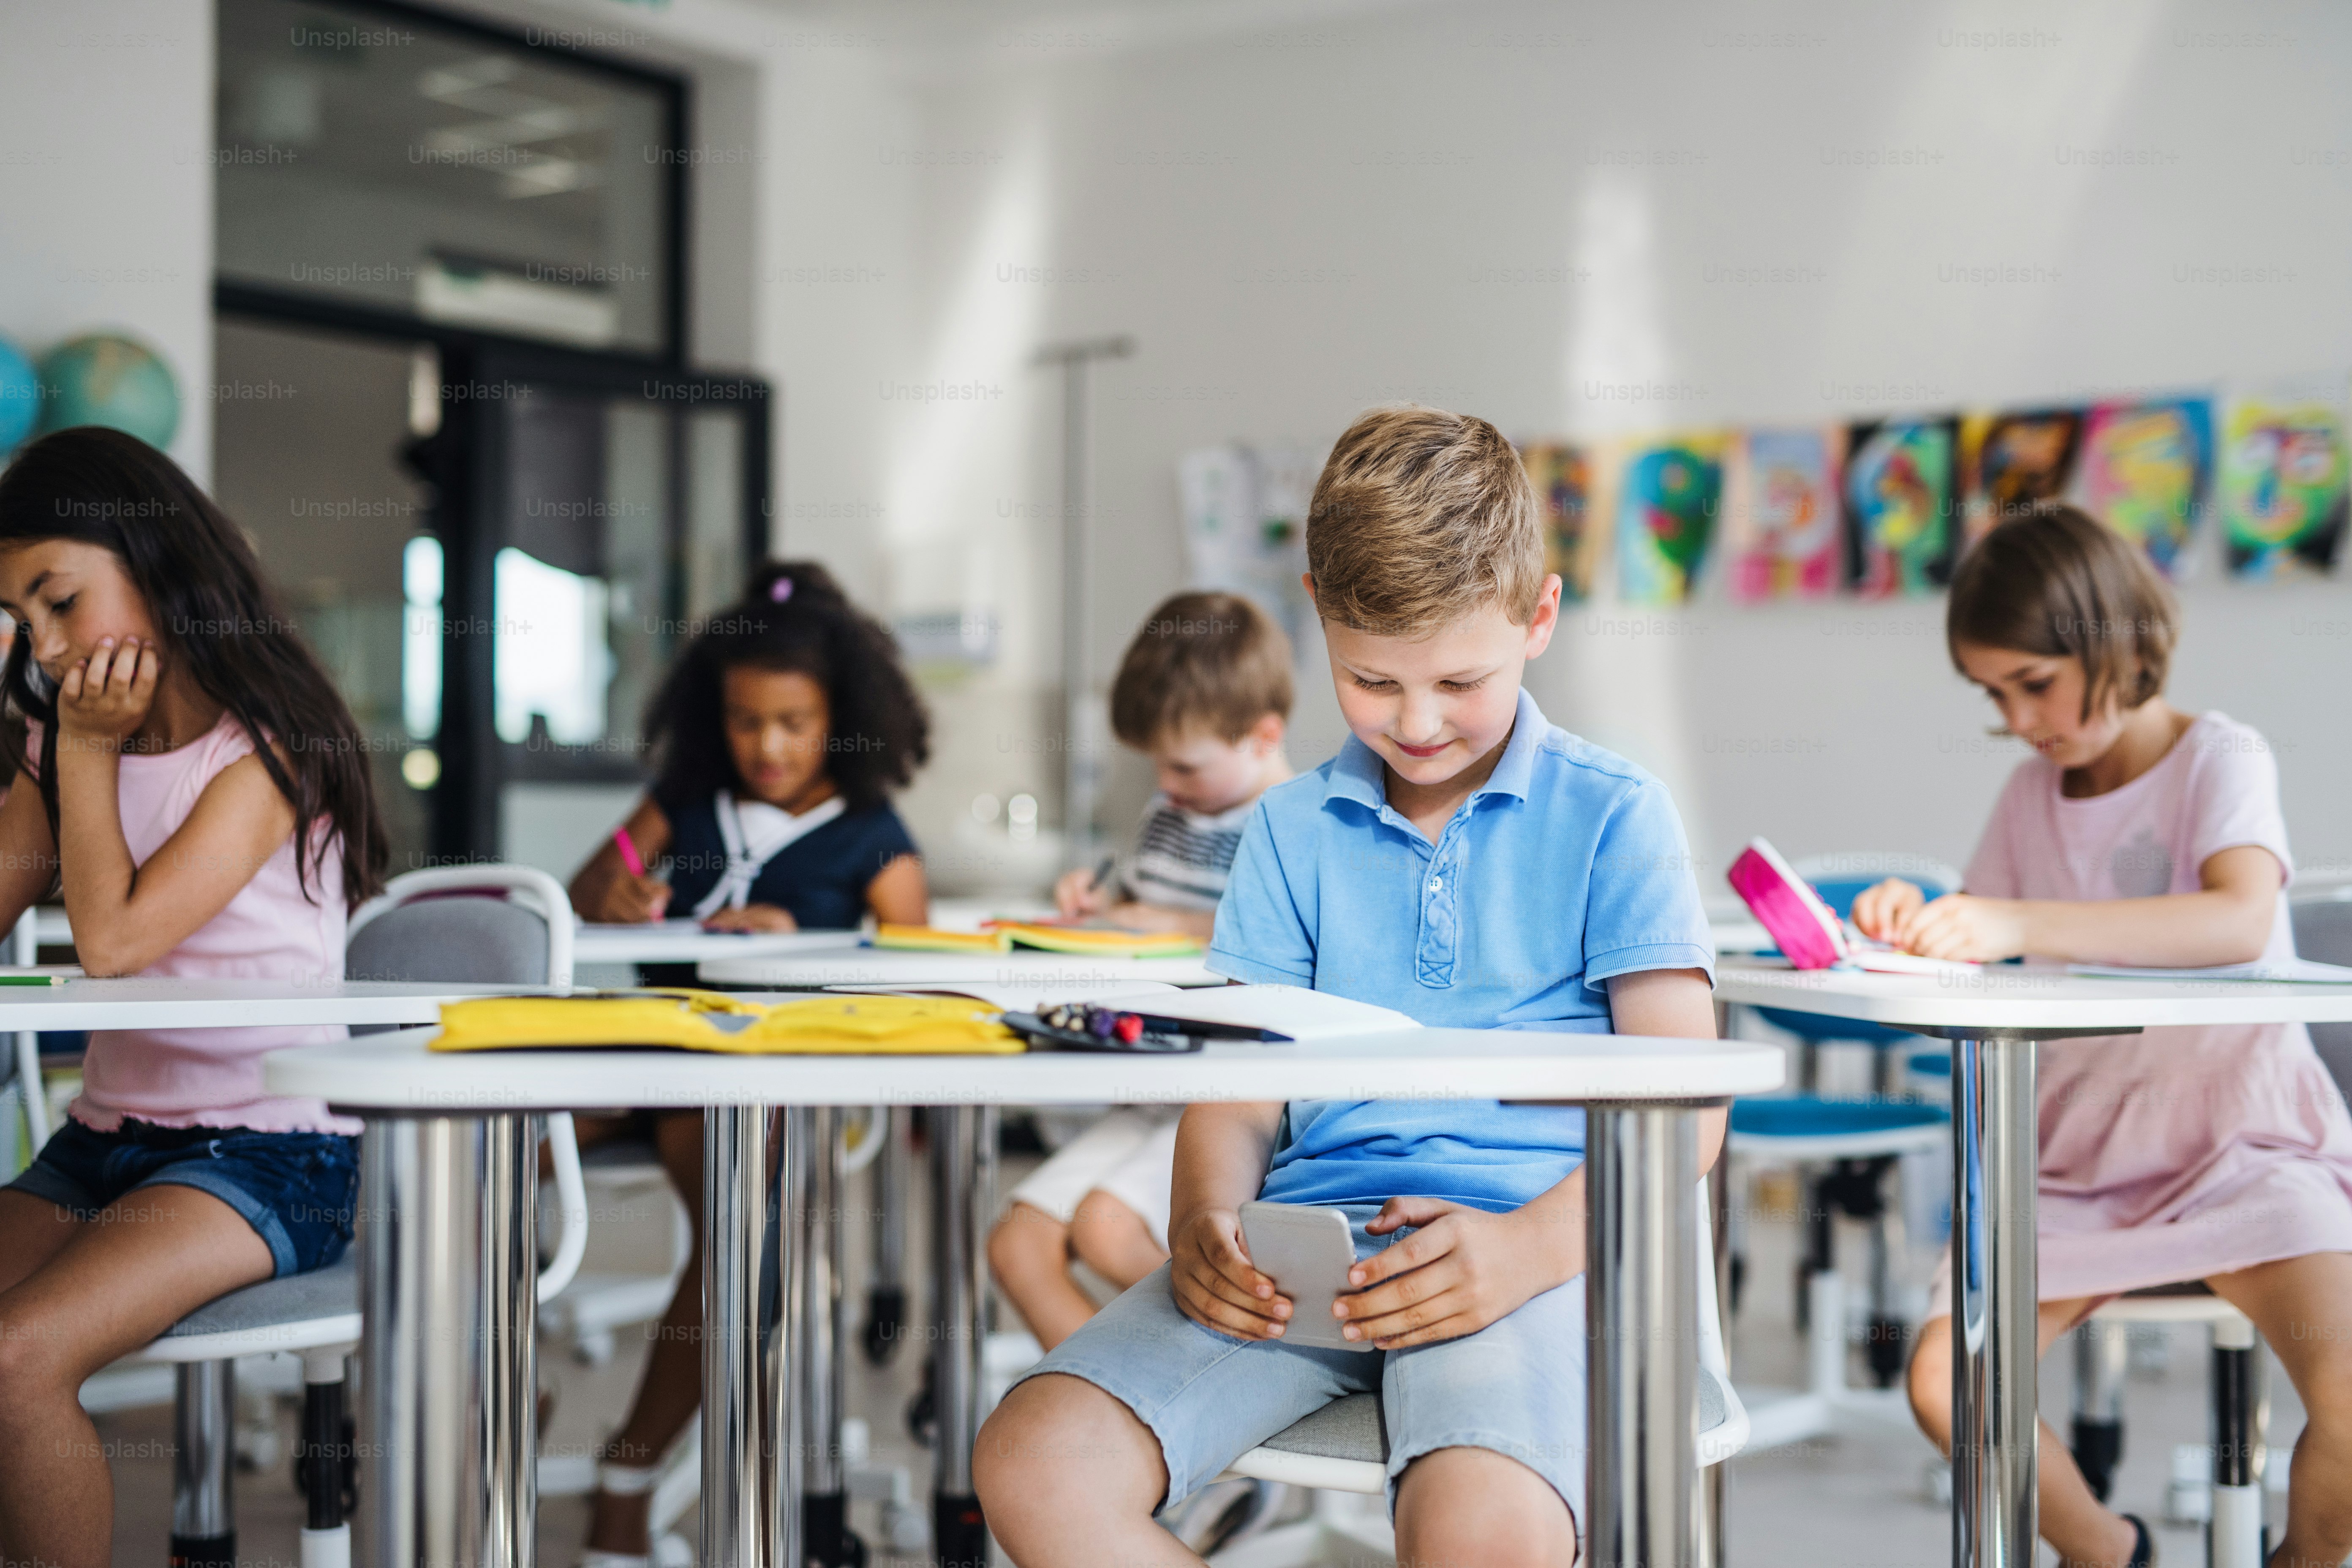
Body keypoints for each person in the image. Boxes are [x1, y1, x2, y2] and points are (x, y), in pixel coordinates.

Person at [976, 406, 1723, 1568]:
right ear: (1317, 609)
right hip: (1308, 1254)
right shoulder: (1286, 830)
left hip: (1532, 1254)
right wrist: (1200, 1221)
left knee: (1484, 1531)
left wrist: (1524, 1251)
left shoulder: (1615, 812)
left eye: (1456, 681)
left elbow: (1691, 1110)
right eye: (1374, 681)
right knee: (1033, 1462)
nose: (1417, 724)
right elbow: (1238, 1085)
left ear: (1538, 618)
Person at [1856, 504, 2352, 1568]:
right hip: (2078, 1169)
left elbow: (2234, 918)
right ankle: (2107, 1550)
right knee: (1948, 1382)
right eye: (1994, 694)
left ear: (2114, 639)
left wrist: (2018, 921)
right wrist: (1916, 917)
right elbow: (1977, 942)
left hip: (2245, 1151)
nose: (2019, 716)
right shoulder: (2030, 794)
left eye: (2034, 682)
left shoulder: (2220, 756)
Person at [0, 427, 389, 1567]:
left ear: (158, 563)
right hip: (107, 1141)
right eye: (21, 624)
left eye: (60, 601)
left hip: (269, 1153)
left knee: (17, 1358)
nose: (47, 642)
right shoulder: (57, 738)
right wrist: (51, 747)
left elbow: (114, 943)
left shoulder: (267, 753)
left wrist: (82, 748)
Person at [567, 560, 931, 1566]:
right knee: (479, 1146)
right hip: (635, 1047)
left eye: (792, 722)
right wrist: (617, 893)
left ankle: (627, 1474)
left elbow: (918, 991)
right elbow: (583, 895)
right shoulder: (681, 802)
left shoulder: (874, 840)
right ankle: (495, 1385)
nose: (765, 745)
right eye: (742, 720)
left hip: (741, 1078)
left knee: (736, 1237)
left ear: (843, 718)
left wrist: (796, 945)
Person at [991, 591, 1294, 1356]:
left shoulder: (1291, 825)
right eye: (1156, 763)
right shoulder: (1170, 820)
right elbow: (1144, 906)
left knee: (1104, 1226)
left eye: (1184, 763)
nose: (1166, 782)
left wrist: (1180, 924)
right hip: (1149, 1081)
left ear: (1264, 737)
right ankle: (1147, 1453)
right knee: (1016, 1247)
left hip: (1225, 1095)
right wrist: (1103, 903)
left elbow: (1285, 944)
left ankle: (1237, 1392)